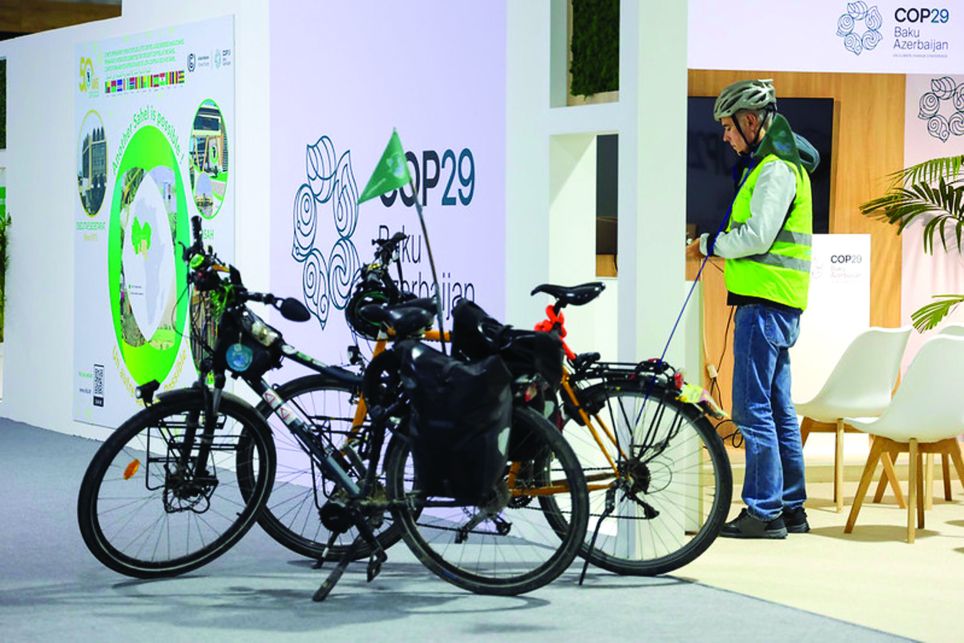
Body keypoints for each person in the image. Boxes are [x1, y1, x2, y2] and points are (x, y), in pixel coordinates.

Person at [687, 79, 816, 539]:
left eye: (728, 127)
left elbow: (757, 236)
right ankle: (791, 508)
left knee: (752, 410)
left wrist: (709, 243)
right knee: (778, 410)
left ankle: (763, 512)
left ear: (749, 120)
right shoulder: (780, 165)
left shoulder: (775, 169)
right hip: (777, 303)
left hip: (764, 307)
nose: (725, 137)